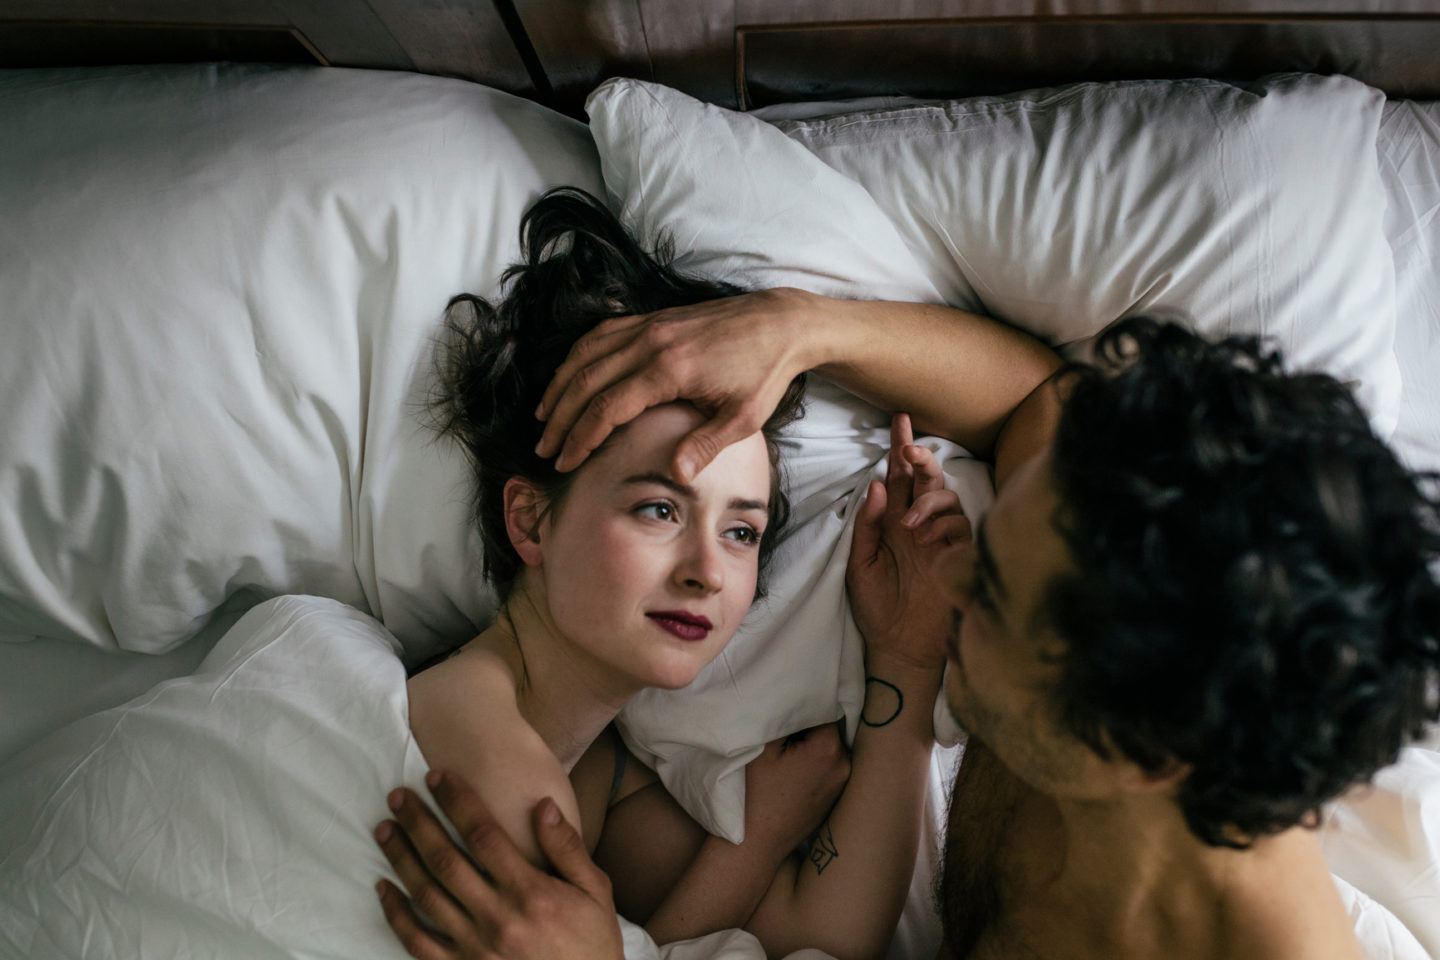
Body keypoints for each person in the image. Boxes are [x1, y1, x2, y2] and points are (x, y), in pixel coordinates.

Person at [376, 293, 1440, 959]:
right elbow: (1042, 405)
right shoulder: (1138, 608)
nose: (956, 575)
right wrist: (801, 328)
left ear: (1140, 752)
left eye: (995, 597)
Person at [384, 186, 1057, 960]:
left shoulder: (603, 764)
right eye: (659, 511)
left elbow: (825, 932)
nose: (708, 572)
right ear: (530, 520)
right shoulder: (490, 761)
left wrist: (903, 658)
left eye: (741, 530)